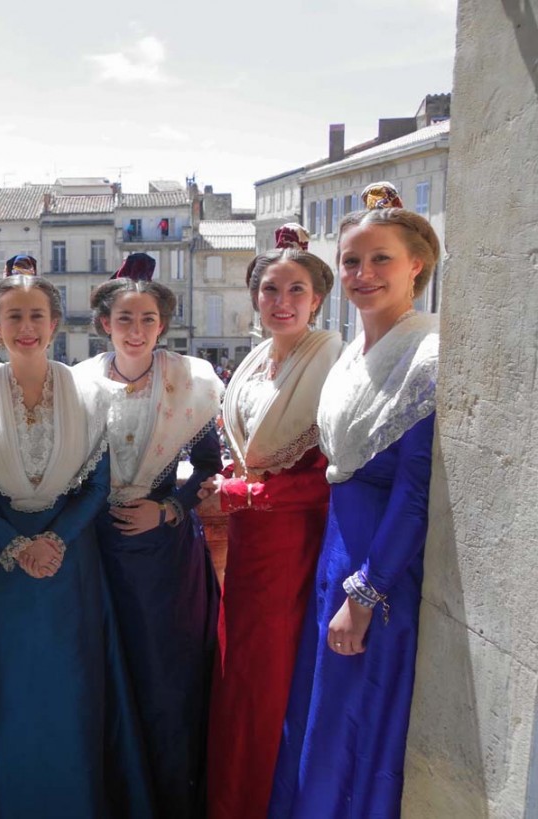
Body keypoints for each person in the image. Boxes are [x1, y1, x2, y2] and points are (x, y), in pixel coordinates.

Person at [0, 267, 154, 819]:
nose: (26, 326)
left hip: (70, 571)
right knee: (3, 700)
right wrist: (16, 547)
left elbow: (98, 486)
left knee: (70, 698)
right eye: (13, 316)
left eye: (36, 314)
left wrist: (55, 542)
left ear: (56, 323)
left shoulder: (92, 393)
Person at [269, 183, 440, 817]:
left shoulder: (428, 354)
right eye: (351, 261)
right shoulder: (349, 356)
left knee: (356, 726)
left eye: (380, 259)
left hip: (375, 570)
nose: (362, 274)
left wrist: (365, 594)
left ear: (416, 265)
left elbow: (415, 494)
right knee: (322, 718)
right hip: (333, 558)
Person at [198, 224, 342, 819]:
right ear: (254, 297)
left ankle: (259, 801)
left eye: (297, 290)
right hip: (248, 544)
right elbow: (243, 452)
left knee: (268, 675)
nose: (282, 302)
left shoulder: (331, 361)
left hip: (291, 545)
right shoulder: (257, 361)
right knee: (238, 672)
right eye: (270, 290)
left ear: (317, 299)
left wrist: (242, 494)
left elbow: (332, 480)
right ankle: (229, 793)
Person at [76, 252, 223, 818]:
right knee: (108, 672)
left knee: (166, 675)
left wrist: (167, 509)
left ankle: (171, 792)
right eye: (124, 320)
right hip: (98, 549)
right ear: (105, 325)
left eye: (147, 320)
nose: (136, 331)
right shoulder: (78, 383)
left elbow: (209, 463)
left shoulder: (191, 381)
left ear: (162, 325)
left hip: (164, 557)